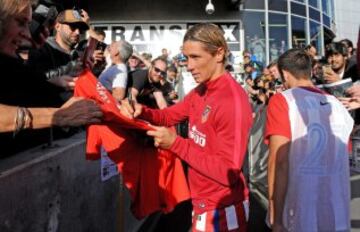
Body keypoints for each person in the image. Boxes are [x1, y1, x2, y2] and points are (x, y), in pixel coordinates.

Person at [120, 23, 252, 231]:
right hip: (202, 203)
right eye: (186, 58)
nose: (188, 66)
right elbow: (166, 116)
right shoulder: (201, 90)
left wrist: (175, 144)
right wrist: (141, 110)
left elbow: (229, 172)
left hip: (222, 209)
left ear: (219, 54)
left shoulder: (232, 100)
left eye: (195, 57)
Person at [265, 49, 353, 231]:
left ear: (285, 74)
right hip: (338, 214)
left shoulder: (283, 101)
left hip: (299, 214)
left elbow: (278, 161)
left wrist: (276, 215)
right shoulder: (337, 105)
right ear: (311, 71)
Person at [0, 0, 103, 157]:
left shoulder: (17, 56)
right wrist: (58, 116)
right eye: (21, 22)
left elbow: (25, 80)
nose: (28, 33)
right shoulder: (42, 52)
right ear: (58, 26)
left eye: (29, 24)